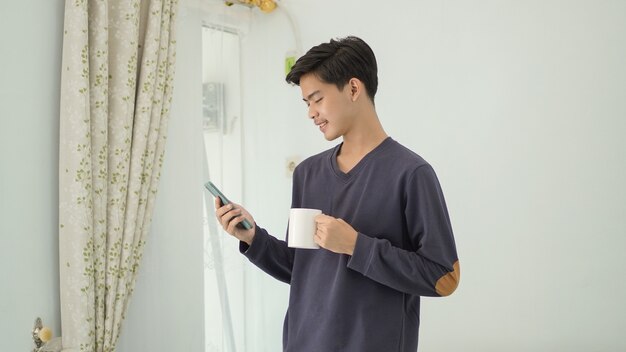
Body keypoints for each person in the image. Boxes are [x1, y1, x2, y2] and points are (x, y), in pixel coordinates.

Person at [215, 36, 460, 352]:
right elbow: (302, 269)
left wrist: (356, 246)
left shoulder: (411, 173)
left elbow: (444, 277)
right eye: (306, 103)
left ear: (354, 89)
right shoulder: (308, 174)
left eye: (317, 99)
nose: (311, 113)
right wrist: (252, 237)